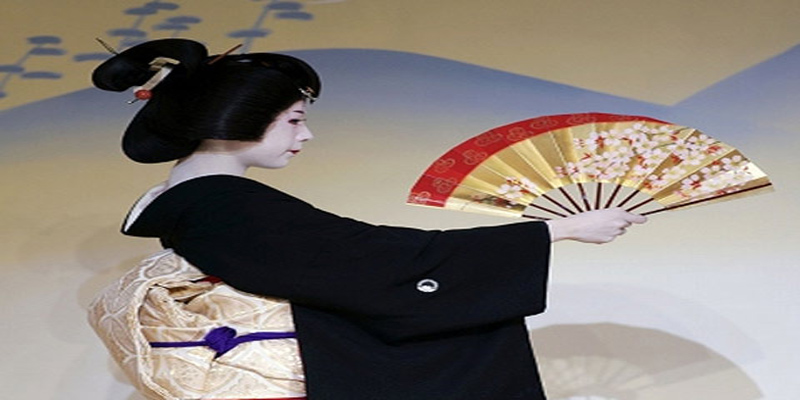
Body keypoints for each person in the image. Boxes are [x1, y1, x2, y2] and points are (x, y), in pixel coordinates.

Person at [90, 38, 646, 400]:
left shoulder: (200, 200)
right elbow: (380, 264)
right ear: (235, 117)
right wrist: (560, 229)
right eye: (294, 120)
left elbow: (358, 259)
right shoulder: (224, 203)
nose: (306, 134)